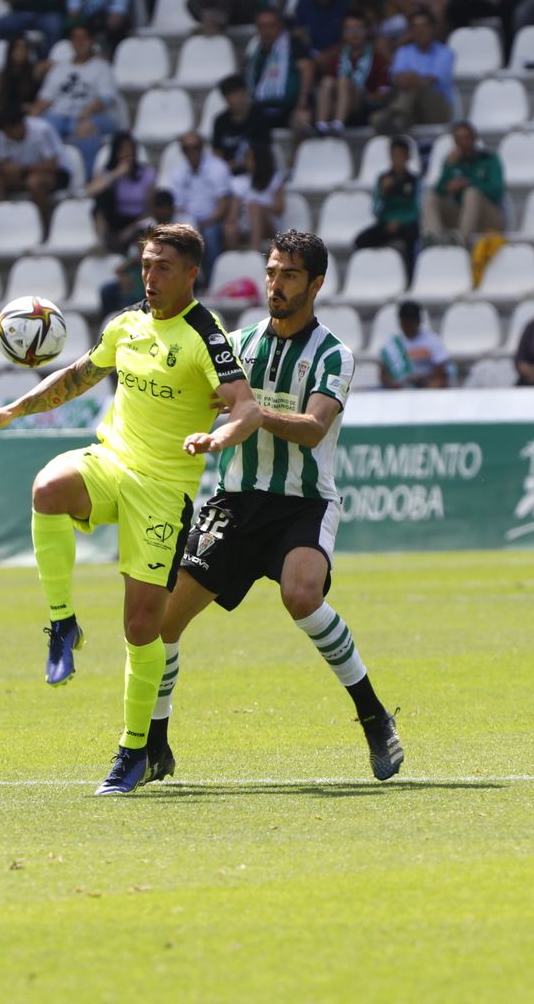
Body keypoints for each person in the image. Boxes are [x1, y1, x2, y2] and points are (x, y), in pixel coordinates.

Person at [0, 223, 262, 795]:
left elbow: (245, 407)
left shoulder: (205, 334)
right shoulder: (125, 325)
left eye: (163, 267)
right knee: (47, 488)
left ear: (192, 273)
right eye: (146, 264)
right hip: (111, 461)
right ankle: (63, 624)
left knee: (142, 627)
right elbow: (77, 377)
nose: (149, 277)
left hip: (163, 490)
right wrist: (10, 411)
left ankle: (134, 750)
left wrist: (219, 438)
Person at [156, 230, 403, 785]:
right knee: (163, 622)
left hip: (302, 503)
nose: (276, 284)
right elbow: (196, 400)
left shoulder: (334, 353)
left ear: (315, 284)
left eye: (289, 275)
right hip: (235, 501)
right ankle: (155, 743)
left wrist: (249, 413)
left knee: (301, 595)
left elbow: (315, 430)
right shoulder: (238, 346)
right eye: (271, 272)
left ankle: (372, 716)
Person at [31, 22, 120, 179]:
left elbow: (106, 97)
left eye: (83, 38)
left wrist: (87, 112)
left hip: (93, 115)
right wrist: (31, 119)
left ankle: (86, 181)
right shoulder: (60, 68)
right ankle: (46, 177)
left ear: (92, 41)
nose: (79, 42)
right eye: (75, 38)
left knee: (87, 130)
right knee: (41, 129)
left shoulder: (102, 67)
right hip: (60, 115)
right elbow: (45, 98)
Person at [371, 9, 454, 135]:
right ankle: (398, 119)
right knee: (410, 89)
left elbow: (431, 80)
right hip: (412, 109)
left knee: (417, 87)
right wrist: (413, 80)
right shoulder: (403, 52)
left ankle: (393, 114)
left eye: (423, 26)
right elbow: (397, 79)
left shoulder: (445, 53)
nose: (419, 31)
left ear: (432, 29)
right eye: (415, 27)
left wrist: (414, 79)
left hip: (437, 109)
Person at [422, 121, 504, 247]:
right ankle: (435, 240)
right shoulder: (453, 161)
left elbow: (497, 191)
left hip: (488, 217)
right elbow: (440, 191)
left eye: (466, 138)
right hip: (462, 216)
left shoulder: (489, 160)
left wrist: (468, 183)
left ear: (474, 138)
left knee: (471, 193)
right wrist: (448, 168)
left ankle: (461, 240)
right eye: (458, 139)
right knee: (429, 197)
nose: (463, 143)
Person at [0, 106, 68, 233]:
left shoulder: (42, 130)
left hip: (55, 174)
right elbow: (2, 161)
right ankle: (3, 227)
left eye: (9, 131)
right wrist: (6, 168)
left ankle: (42, 228)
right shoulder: (2, 134)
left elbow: (53, 165)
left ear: (19, 125)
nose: (6, 135)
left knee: (34, 182)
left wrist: (23, 168)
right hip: (23, 174)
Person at [168, 132, 234, 282]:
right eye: (187, 148)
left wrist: (207, 221)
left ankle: (213, 281)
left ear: (202, 147)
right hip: (189, 221)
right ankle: (188, 282)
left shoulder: (217, 167)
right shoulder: (178, 172)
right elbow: (177, 206)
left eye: (196, 147)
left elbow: (224, 203)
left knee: (209, 235)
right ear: (182, 151)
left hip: (213, 219)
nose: (192, 152)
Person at [314, 12, 391, 136]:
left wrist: (367, 96)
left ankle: (338, 126)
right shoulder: (336, 59)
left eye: (358, 28)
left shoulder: (378, 59)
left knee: (343, 82)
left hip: (363, 106)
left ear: (366, 31)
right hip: (337, 103)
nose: (354, 33)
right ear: (343, 33)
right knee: (326, 81)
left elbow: (383, 94)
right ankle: (321, 126)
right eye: (349, 29)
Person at [353, 135, 420, 271]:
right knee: (361, 240)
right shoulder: (383, 179)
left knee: (411, 238)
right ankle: (367, 272)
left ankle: (410, 276)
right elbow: (376, 210)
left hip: (407, 224)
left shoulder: (415, 181)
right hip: (386, 224)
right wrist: (383, 193)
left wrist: (400, 221)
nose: (397, 159)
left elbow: (417, 210)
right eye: (394, 155)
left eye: (400, 155)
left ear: (407, 157)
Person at [88, 130, 156, 253]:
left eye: (130, 149)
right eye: (123, 149)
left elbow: (150, 208)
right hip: (116, 220)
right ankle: (101, 242)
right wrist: (116, 174)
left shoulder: (146, 172)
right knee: (102, 198)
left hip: (138, 221)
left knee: (140, 233)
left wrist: (131, 228)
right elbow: (91, 191)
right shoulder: (109, 172)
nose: (127, 153)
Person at [244, 10, 313, 130]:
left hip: (290, 106)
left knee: (302, 120)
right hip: (261, 107)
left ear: (279, 26)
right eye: (262, 26)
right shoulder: (253, 50)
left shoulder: (292, 44)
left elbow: (307, 68)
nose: (266, 31)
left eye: (271, 26)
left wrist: (302, 102)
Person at [227, 138, 285, 250]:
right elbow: (233, 214)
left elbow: (280, 208)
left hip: (268, 224)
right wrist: (231, 223)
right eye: (246, 157)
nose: (246, 161)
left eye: (250, 157)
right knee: (229, 229)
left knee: (254, 208)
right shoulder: (239, 181)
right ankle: (233, 261)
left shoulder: (274, 179)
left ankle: (255, 251)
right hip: (245, 224)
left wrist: (260, 207)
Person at [379, 299, 451, 388]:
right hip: (401, 386)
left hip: (426, 383)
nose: (409, 325)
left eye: (411, 321)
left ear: (419, 321)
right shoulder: (392, 344)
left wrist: (424, 378)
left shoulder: (432, 340)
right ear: (400, 321)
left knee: (437, 382)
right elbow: (384, 373)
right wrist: (395, 384)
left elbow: (441, 368)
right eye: (405, 321)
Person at [211, 74, 268, 175]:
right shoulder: (220, 121)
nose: (233, 99)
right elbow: (217, 151)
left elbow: (264, 149)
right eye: (228, 95)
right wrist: (225, 166)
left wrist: (244, 164)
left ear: (244, 92)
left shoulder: (259, 116)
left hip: (255, 172)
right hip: (228, 174)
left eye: (235, 94)